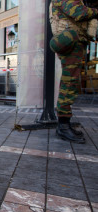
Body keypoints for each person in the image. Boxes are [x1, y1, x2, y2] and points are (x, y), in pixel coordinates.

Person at [49, 0, 98, 144]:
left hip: (75, 41)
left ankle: (64, 124)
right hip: (69, 40)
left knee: (70, 82)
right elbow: (78, 12)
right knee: (68, 83)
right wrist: (95, 11)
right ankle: (63, 126)